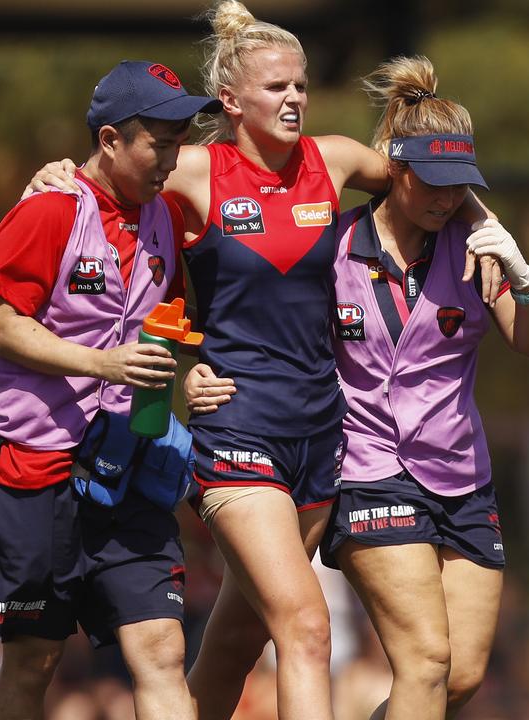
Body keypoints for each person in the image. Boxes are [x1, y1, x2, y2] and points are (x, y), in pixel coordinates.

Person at [28, 5, 504, 717]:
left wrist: (489, 228)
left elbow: (428, 177)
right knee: (307, 628)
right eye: (277, 87)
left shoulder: (336, 158)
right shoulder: (192, 171)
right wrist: (59, 174)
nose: (294, 100)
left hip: (319, 432)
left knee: (235, 643)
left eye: (302, 86)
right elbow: (107, 187)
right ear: (231, 100)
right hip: (237, 430)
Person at [192, 56, 529, 719]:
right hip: (365, 470)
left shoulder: (475, 248)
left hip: (461, 474)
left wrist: (523, 271)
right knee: (424, 657)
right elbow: (245, 301)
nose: (447, 199)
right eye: (435, 183)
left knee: (461, 677)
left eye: (461, 187)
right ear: (396, 168)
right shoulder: (329, 246)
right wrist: (191, 360)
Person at [0, 59, 220, 719]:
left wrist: (187, 372)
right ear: (110, 141)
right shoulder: (48, 211)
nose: (172, 157)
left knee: (163, 649)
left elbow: (165, 328)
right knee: (35, 660)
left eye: (179, 141)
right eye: (158, 142)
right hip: (38, 476)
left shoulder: (166, 215)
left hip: (131, 473)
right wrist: (102, 363)